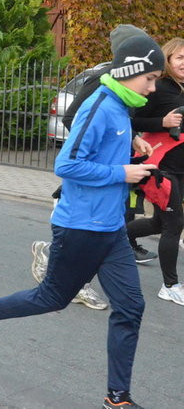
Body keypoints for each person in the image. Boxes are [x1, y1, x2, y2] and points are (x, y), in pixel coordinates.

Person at [0, 35, 166, 409]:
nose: (153, 87)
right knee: (52, 298)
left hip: (111, 230)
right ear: (131, 70)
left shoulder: (121, 106)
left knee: (131, 308)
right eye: (149, 78)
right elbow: (66, 165)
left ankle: (117, 398)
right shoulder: (101, 105)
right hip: (80, 228)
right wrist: (123, 172)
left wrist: (133, 142)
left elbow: (102, 144)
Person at [31, 25, 156, 312]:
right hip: (91, 173)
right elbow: (73, 118)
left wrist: (132, 139)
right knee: (58, 286)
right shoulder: (103, 79)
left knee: (112, 224)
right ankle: (60, 264)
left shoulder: (133, 84)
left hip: (109, 173)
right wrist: (94, 143)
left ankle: (69, 267)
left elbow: (121, 122)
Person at [124, 36, 184, 306]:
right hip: (162, 167)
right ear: (169, 60)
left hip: (181, 168)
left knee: (160, 222)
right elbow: (131, 119)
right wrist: (162, 121)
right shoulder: (158, 87)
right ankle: (170, 285)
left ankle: (119, 236)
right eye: (180, 58)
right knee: (174, 224)